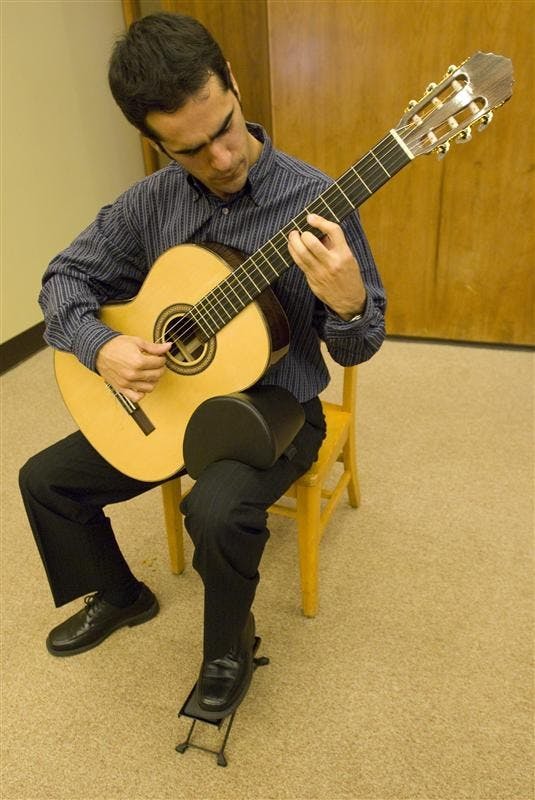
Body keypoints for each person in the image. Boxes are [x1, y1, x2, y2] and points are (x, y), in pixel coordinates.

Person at [19, 12, 386, 715]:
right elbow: (61, 281)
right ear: (154, 142)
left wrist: (345, 305)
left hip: (273, 409)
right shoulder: (146, 204)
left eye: (223, 127)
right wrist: (103, 346)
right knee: (44, 482)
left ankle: (228, 648)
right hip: (171, 399)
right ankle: (122, 594)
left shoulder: (315, 202)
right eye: (189, 149)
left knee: (213, 511)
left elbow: (357, 348)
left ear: (234, 86)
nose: (220, 158)